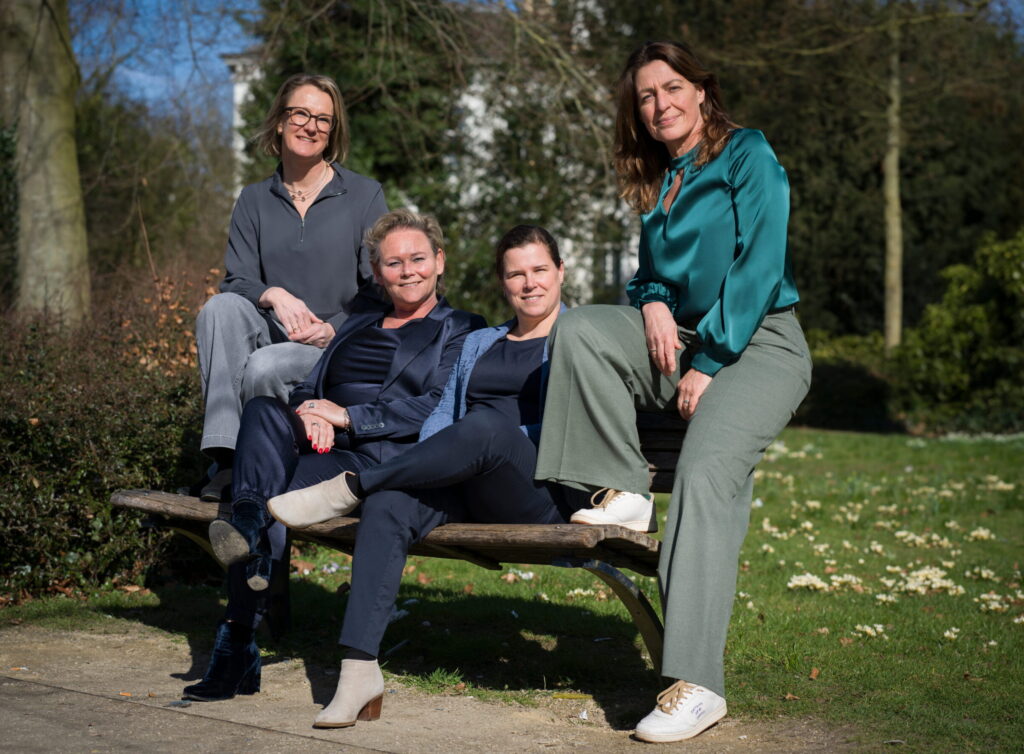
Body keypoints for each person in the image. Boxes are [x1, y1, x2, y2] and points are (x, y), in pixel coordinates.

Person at [532, 41, 813, 743]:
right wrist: (653, 302)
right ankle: (624, 489)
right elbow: (651, 274)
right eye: (646, 97)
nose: (660, 105)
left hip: (759, 343)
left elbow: (760, 262)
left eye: (672, 88)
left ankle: (697, 684)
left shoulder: (747, 153)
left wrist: (709, 361)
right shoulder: (660, 181)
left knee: (706, 471)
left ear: (701, 90)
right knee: (581, 330)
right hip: (682, 341)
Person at [268, 225, 587, 729]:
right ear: (502, 281)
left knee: (485, 426)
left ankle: (352, 486)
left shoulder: (580, 339)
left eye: (540, 270)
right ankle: (358, 672)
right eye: (516, 274)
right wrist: (437, 462)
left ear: (561, 272)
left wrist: (483, 440)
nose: (529, 283)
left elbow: (575, 426)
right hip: (465, 480)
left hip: (534, 488)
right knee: (390, 503)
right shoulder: (481, 341)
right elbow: (442, 416)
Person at [181, 209, 483, 703]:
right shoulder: (358, 322)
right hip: (321, 444)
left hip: (378, 459)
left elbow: (437, 405)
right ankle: (250, 521)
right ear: (378, 271)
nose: (407, 271)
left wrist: (347, 417)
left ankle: (236, 644)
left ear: (440, 261)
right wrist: (310, 410)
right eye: (393, 263)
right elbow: (309, 383)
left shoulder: (462, 327)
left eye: (418, 259)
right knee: (262, 409)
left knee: (261, 489)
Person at [194, 73, 388, 502]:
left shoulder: (364, 195)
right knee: (218, 309)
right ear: (280, 121)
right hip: (272, 330)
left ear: (332, 130)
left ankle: (262, 465)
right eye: (300, 114)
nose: (311, 126)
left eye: (323, 119)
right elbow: (237, 279)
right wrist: (273, 294)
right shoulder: (253, 200)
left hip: (333, 345)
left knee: (265, 366)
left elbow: (380, 286)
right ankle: (227, 457)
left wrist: (335, 328)